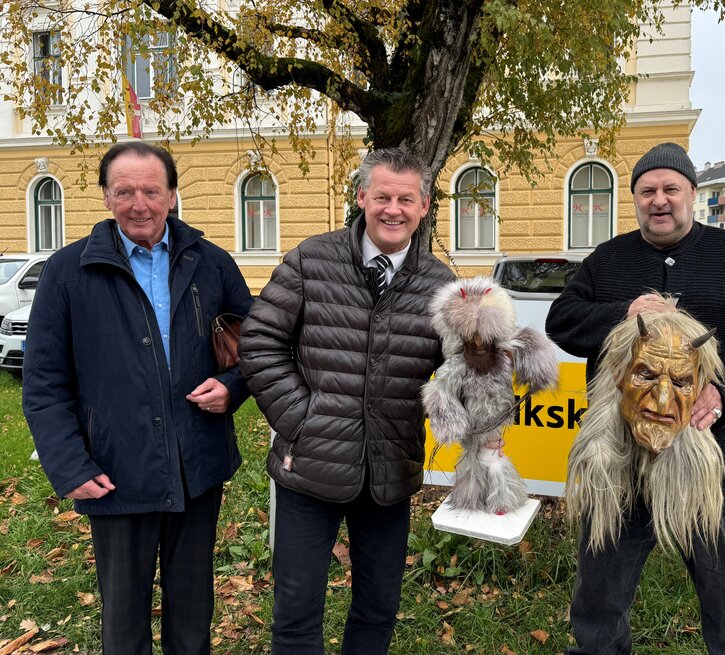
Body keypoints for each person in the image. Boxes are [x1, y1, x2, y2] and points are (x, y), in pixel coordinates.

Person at [545, 142, 725, 655]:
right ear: (635, 198)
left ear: (690, 193)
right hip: (620, 469)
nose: (659, 201)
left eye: (671, 189)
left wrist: (724, 394)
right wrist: (622, 313)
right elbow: (562, 320)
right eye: (647, 191)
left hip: (716, 466)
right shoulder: (609, 259)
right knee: (598, 605)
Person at [23, 141, 254, 655]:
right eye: (124, 191)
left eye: (151, 190)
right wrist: (69, 466)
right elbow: (43, 384)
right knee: (124, 626)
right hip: (113, 473)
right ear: (106, 197)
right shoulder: (67, 273)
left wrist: (234, 388)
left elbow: (257, 347)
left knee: (193, 618)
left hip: (196, 466)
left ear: (172, 195)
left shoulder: (211, 263)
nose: (139, 204)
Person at [238, 148, 454, 654]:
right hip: (308, 470)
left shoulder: (442, 286)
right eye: (382, 196)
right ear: (362, 198)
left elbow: (463, 371)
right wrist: (302, 418)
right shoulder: (312, 260)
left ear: (423, 206)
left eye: (406, 199)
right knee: (295, 615)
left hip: (389, 474)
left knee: (377, 612)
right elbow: (260, 342)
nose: (393, 209)